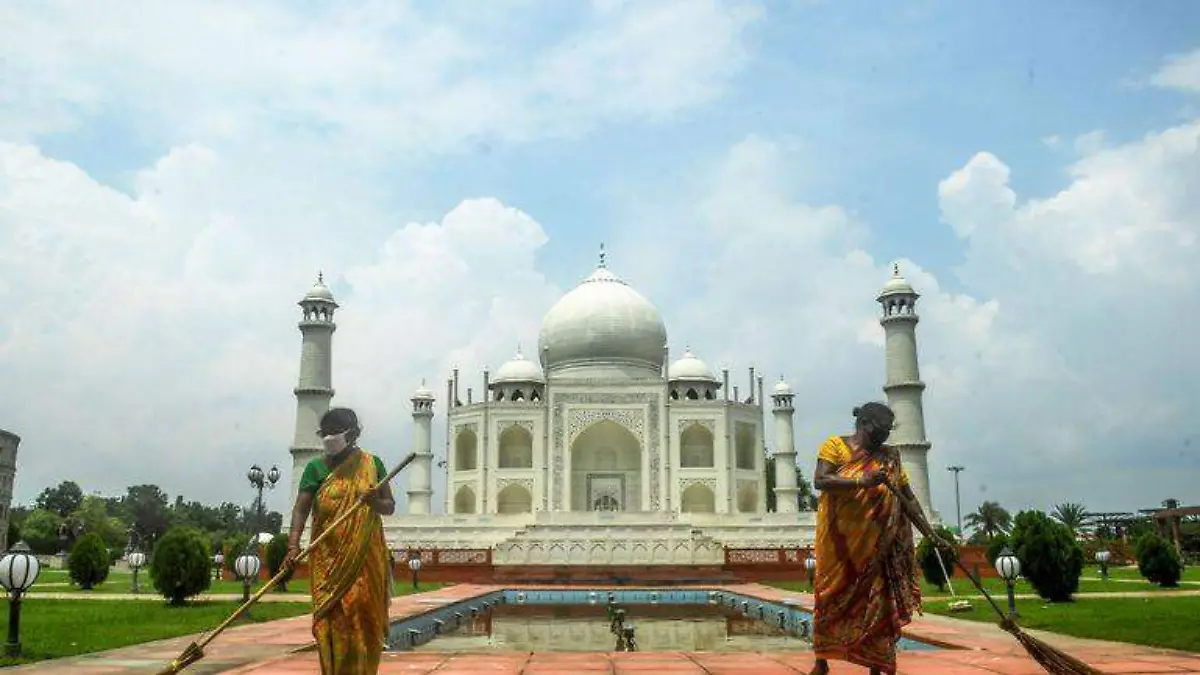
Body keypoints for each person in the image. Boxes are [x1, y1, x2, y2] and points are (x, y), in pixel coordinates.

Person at [809, 402, 924, 675]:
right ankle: (822, 660)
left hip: (877, 549)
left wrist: (931, 534)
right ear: (862, 424)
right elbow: (821, 480)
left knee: (878, 602)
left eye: (886, 433)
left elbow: (908, 499)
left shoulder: (889, 459)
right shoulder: (835, 446)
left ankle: (876, 663)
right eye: (878, 432)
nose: (883, 438)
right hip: (839, 547)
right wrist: (864, 481)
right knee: (829, 598)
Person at [284, 407, 396, 675]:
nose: (330, 438)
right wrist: (292, 545)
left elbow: (389, 506)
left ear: (353, 434)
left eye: (336, 433)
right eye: (327, 433)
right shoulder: (315, 468)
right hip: (327, 561)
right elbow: (301, 509)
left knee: (361, 616)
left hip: (364, 560)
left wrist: (373, 501)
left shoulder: (372, 464)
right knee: (330, 622)